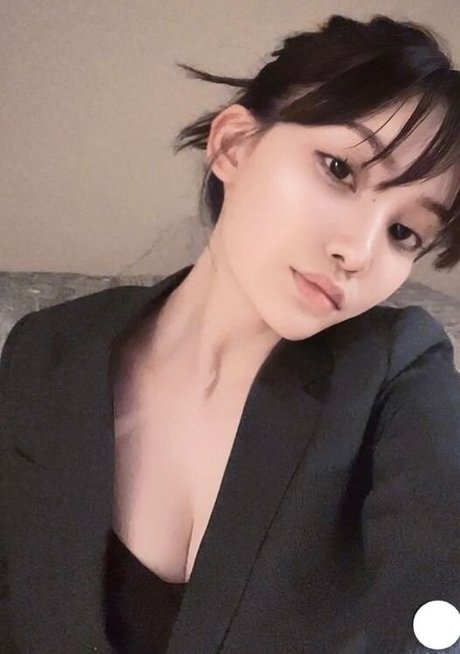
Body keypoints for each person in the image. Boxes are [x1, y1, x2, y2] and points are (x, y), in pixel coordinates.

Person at [1, 12, 460, 654]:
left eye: (403, 233)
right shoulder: (44, 350)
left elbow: (438, 566)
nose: (357, 252)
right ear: (234, 145)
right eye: (339, 169)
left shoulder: (398, 369)